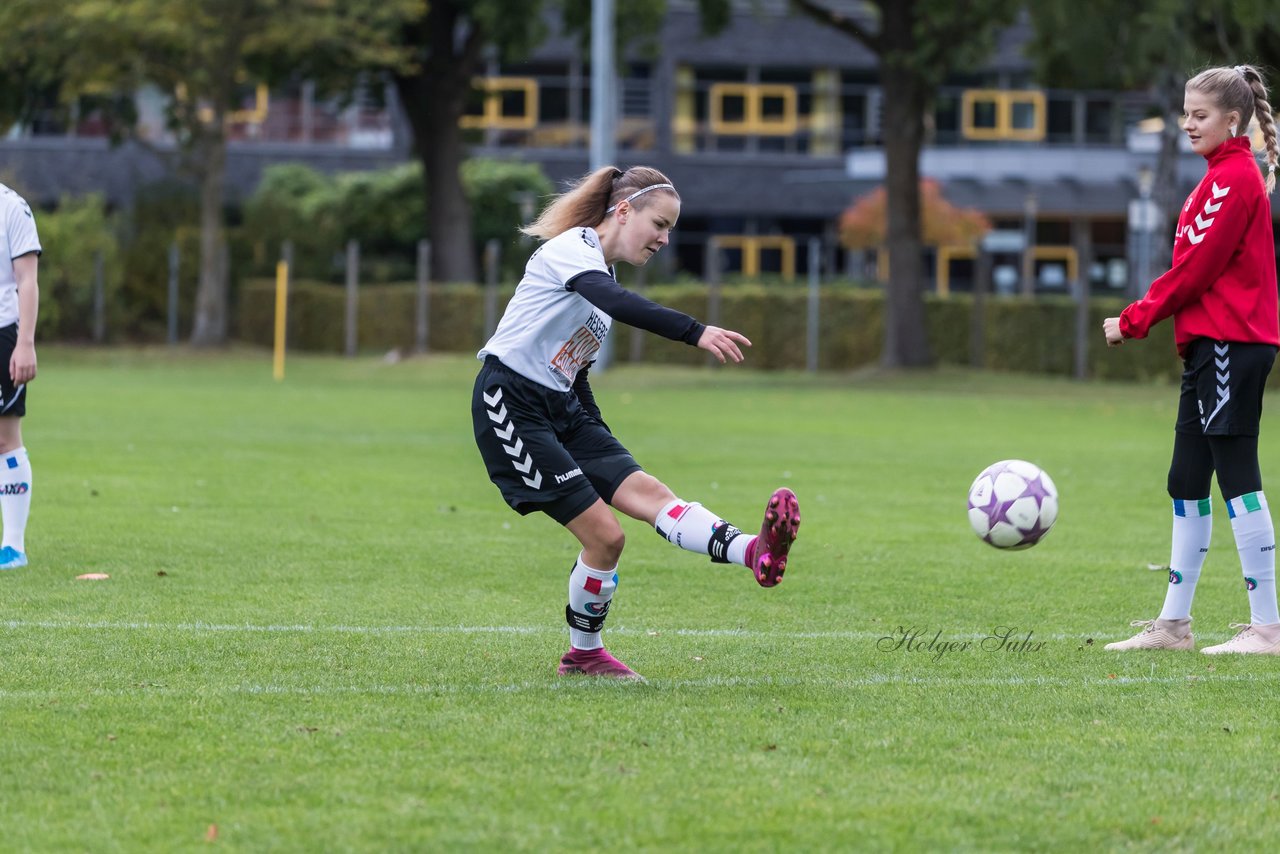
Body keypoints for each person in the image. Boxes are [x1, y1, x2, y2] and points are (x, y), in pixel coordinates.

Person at [470, 165, 800, 680]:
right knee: (606, 536)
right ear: (623, 212)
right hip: (510, 403)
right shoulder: (570, 251)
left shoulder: (599, 286)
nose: (665, 240)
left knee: (651, 494)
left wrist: (603, 446)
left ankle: (754, 552)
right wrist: (694, 331)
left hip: (563, 410)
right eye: (660, 225)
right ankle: (584, 655)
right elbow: (619, 304)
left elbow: (574, 376)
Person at [1103, 64, 1280, 654]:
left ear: (1233, 120)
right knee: (1185, 479)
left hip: (1233, 342)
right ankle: (1174, 627)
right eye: (1186, 112)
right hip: (1209, 345)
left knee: (1236, 479)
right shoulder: (1214, 178)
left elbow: (1195, 270)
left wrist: (1134, 319)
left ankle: (1268, 629)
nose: (1187, 123)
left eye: (1200, 114)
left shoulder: (1234, 180)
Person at [0, 184, 39, 572]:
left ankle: (12, 547)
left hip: (2, 333)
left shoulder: (12, 208)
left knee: (4, 438)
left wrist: (25, 343)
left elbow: (27, 279)